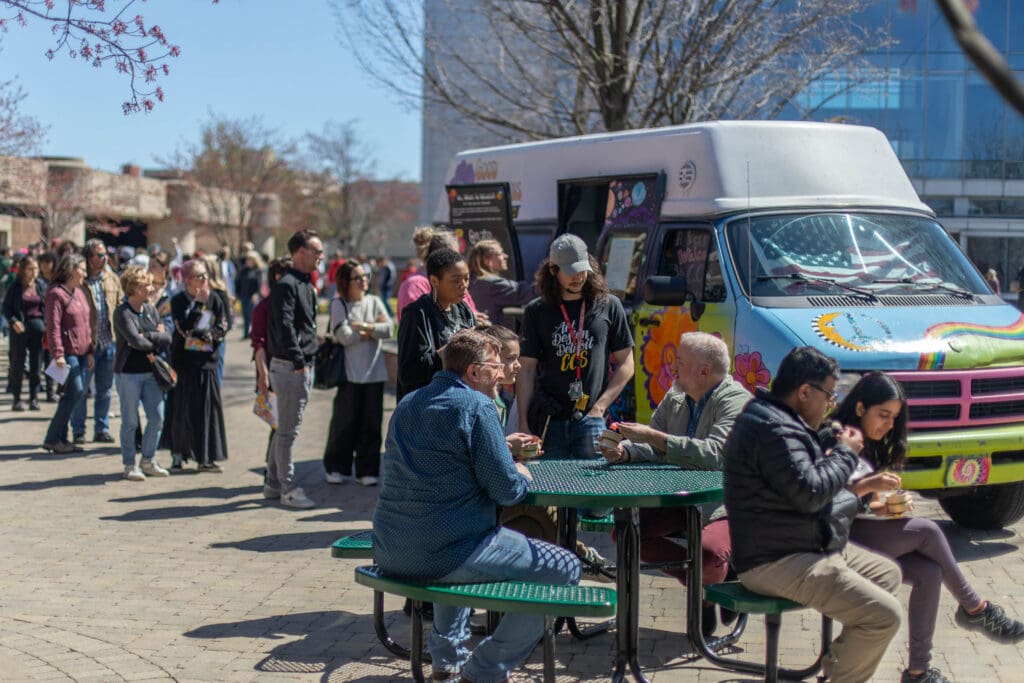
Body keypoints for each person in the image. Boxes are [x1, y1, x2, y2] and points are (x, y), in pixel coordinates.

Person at [373, 328, 580, 682]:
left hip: (390, 549)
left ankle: (446, 664)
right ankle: (483, 672)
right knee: (565, 568)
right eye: (496, 366)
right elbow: (506, 491)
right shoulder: (478, 405)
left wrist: (500, 451)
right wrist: (521, 473)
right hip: (446, 551)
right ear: (473, 372)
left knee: (454, 542)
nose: (502, 374)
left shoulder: (409, 402)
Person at [825, 371, 1024, 683]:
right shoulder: (837, 438)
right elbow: (827, 498)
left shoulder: (871, 443)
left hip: (861, 532)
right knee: (928, 531)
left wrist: (890, 505)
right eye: (884, 415)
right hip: (835, 540)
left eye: (894, 418)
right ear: (860, 408)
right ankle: (976, 608)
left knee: (929, 572)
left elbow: (867, 505)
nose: (889, 425)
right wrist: (870, 489)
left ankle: (918, 671)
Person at [723, 346, 904, 683]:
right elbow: (811, 494)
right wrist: (847, 454)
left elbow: (812, 493)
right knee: (884, 617)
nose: (831, 404)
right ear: (805, 391)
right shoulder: (774, 429)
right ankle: (841, 677)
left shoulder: (781, 420)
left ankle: (837, 670)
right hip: (774, 561)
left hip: (800, 546)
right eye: (829, 395)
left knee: (887, 574)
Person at [598, 332, 750, 637]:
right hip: (682, 499)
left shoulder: (737, 401)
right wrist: (624, 451)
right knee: (627, 532)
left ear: (704, 371)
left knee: (707, 553)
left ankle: (713, 581)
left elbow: (714, 455)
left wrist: (652, 437)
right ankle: (709, 588)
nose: (673, 367)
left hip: (729, 505)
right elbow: (655, 446)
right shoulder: (677, 395)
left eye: (680, 362)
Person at [517, 234, 634, 460]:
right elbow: (527, 369)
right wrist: (523, 421)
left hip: (591, 419)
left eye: (583, 269)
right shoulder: (536, 311)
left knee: (593, 490)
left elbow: (627, 363)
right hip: (549, 419)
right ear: (553, 270)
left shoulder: (609, 305)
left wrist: (600, 408)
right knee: (552, 486)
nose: (579, 277)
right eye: (570, 271)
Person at [266, 229, 323, 509]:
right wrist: (299, 360)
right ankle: (287, 488)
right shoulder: (287, 284)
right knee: (288, 431)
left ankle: (272, 483)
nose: (320, 257)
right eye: (316, 251)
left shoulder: (304, 283)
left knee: (283, 429)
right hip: (291, 367)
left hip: (296, 364)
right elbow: (284, 325)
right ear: (301, 252)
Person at [322, 261, 392, 486]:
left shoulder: (374, 301)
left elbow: (389, 329)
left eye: (365, 276)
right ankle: (336, 466)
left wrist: (362, 327)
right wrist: (371, 330)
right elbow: (343, 336)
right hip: (349, 375)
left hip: (375, 373)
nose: (364, 281)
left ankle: (367, 470)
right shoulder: (338, 304)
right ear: (346, 281)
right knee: (344, 423)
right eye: (358, 277)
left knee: (372, 424)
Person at [165, 259, 229, 472]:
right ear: (187, 280)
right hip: (184, 363)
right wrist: (199, 305)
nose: (203, 280)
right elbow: (183, 329)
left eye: (205, 275)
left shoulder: (217, 298)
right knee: (181, 409)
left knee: (207, 410)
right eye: (198, 276)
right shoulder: (178, 301)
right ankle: (178, 454)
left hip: (207, 362)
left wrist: (211, 335)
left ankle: (206, 457)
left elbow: (223, 324)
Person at [113, 266, 172, 481]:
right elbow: (134, 342)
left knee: (157, 417)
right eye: (147, 284)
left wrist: (147, 335)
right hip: (128, 373)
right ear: (134, 288)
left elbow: (167, 337)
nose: (151, 288)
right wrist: (153, 335)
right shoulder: (122, 312)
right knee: (130, 421)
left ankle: (148, 459)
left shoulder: (151, 309)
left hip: (151, 372)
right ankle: (129, 464)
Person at [396, 248, 476, 400]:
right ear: (434, 281)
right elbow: (408, 372)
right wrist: (453, 349)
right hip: (426, 406)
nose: (464, 284)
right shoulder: (417, 314)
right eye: (456, 280)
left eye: (467, 278)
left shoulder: (464, 310)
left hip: (460, 399)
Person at [74, 239, 123, 444]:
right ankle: (78, 431)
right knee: (81, 390)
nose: (102, 259)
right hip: (87, 345)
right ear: (88, 257)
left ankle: (101, 428)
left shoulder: (112, 279)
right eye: (98, 255)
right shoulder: (80, 281)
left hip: (108, 342)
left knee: (104, 391)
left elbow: (120, 305)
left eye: (104, 255)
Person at [42, 254, 92, 454]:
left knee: (71, 394)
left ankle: (58, 439)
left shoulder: (79, 292)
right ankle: (54, 437)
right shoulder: (55, 293)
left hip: (82, 351)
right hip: (67, 353)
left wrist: (90, 351)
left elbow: (87, 325)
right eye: (81, 268)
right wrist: (58, 354)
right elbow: (53, 326)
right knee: (76, 391)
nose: (85, 273)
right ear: (71, 270)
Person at [396, 227, 478, 321]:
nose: (459, 260)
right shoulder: (415, 285)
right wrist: (466, 319)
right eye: (455, 255)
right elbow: (419, 323)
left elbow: (472, 313)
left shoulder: (459, 284)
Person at [3, 256, 47, 411]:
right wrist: (14, 321)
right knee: (18, 364)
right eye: (30, 269)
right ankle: (17, 398)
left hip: (38, 328)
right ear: (23, 270)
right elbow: (6, 308)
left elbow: (47, 307)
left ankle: (34, 398)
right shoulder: (15, 287)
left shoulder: (41, 286)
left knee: (36, 365)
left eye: (36, 268)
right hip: (19, 329)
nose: (34, 272)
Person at [467, 239, 534, 327]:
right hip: (489, 334)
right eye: (500, 253)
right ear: (487, 260)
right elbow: (526, 292)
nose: (505, 256)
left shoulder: (470, 280)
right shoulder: (493, 284)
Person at [200, 253, 233, 384]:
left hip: (215, 339)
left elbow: (227, 321)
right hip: (198, 339)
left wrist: (214, 334)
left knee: (215, 376)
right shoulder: (196, 291)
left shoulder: (219, 293)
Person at [235, 250, 264, 340]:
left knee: (252, 316)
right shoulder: (243, 271)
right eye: (247, 259)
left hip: (253, 297)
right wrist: (238, 294)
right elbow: (238, 283)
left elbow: (259, 284)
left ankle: (254, 333)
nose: (248, 261)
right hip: (244, 296)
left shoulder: (257, 271)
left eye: (250, 259)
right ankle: (246, 333)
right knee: (245, 315)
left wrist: (256, 294)